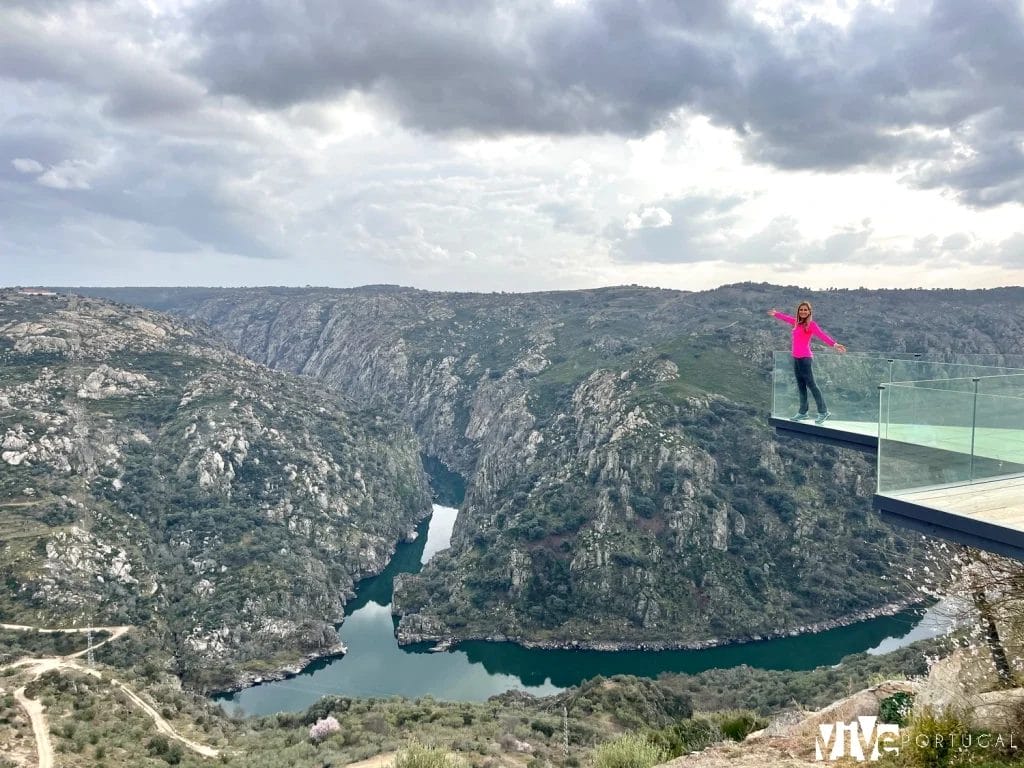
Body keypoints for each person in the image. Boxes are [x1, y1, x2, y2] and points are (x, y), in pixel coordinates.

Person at [767, 301, 846, 424]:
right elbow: (787, 318)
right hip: (796, 358)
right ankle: (803, 412)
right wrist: (776, 314)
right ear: (798, 311)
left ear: (809, 312)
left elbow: (821, 335)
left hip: (805, 358)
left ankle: (823, 411)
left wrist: (834, 344)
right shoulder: (796, 323)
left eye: (805, 310)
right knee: (801, 385)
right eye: (801, 310)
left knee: (812, 385)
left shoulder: (811, 325)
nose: (803, 312)